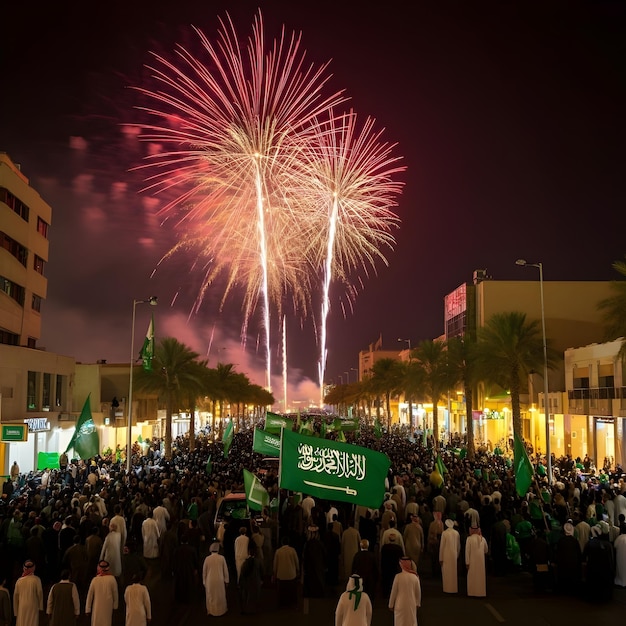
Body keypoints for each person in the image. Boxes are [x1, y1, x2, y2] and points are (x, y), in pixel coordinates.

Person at [388, 556, 421, 626]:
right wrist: (418, 603)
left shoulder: (398, 577)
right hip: (411, 603)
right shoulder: (415, 577)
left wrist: (391, 604)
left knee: (400, 622)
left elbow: (394, 592)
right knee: (411, 621)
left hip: (399, 604)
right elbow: (418, 592)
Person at [85, 560, 119, 626]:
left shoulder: (95, 580)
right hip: (108, 607)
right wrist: (115, 606)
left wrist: (88, 609)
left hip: (97, 607)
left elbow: (89, 596)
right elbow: (115, 594)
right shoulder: (112, 579)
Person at [202, 542, 229, 616]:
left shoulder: (207, 559)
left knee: (211, 596)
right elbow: (225, 570)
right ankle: (221, 610)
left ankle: (211, 611)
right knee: (220, 595)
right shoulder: (222, 558)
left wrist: (204, 581)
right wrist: (226, 580)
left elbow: (204, 571)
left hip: (210, 580)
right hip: (219, 579)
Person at [272, 535, 300, 608]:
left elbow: (275, 564)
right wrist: (298, 570)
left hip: (281, 575)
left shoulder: (278, 551)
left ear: (281, 543)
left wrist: (274, 573)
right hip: (291, 574)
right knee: (291, 591)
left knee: (282, 592)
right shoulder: (292, 550)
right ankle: (291, 603)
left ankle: (282, 604)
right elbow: (296, 561)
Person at [465, 525, 488, 597]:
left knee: (472, 576)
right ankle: (480, 593)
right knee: (480, 577)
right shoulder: (483, 539)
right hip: (481, 562)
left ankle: (472, 592)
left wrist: (467, 562)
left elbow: (467, 551)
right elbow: (486, 550)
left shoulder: (469, 539)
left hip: (472, 561)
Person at [439, 518, 460, 594]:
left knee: (446, 572)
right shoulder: (456, 533)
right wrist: (457, 555)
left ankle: (447, 588)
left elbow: (442, 546)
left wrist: (440, 558)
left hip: (446, 554)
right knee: (453, 572)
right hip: (454, 554)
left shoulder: (444, 533)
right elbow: (458, 546)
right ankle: (454, 588)